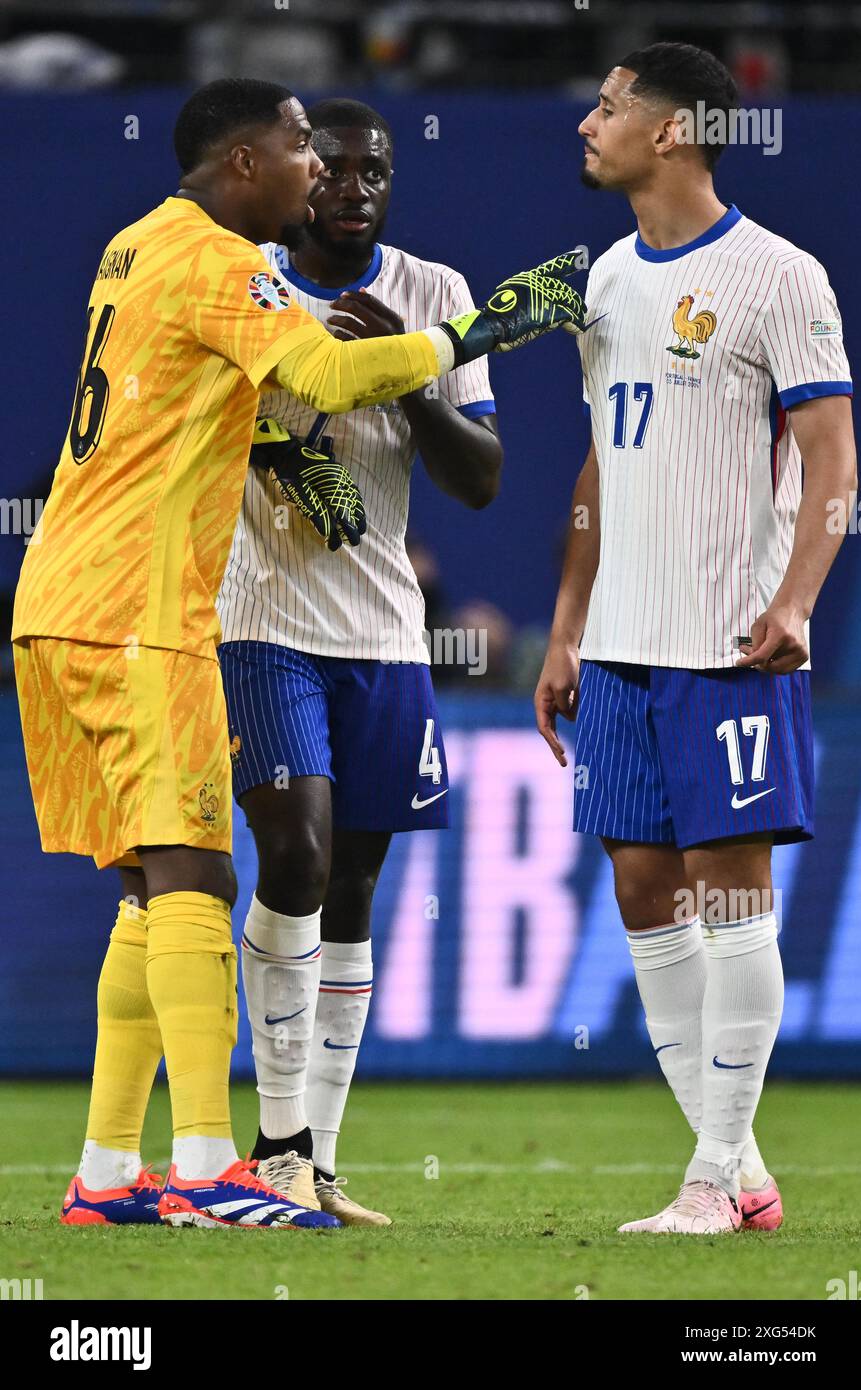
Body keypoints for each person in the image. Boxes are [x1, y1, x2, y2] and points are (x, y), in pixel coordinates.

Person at [12, 77, 585, 1231]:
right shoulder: (229, 263)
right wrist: (471, 335)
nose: (317, 174)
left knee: (142, 887)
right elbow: (322, 372)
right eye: (296, 152)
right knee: (199, 876)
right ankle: (219, 1164)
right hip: (143, 606)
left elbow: (194, 392)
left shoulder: (133, 246)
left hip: (66, 597)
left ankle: (106, 1172)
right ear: (240, 165)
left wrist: (273, 454)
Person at [534, 43, 855, 1235]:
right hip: (620, 643)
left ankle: (712, 1178)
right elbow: (599, 470)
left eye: (609, 107)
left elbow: (831, 456)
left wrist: (796, 599)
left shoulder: (779, 276)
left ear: (672, 132)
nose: (589, 123)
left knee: (734, 898)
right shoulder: (605, 279)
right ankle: (740, 1164)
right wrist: (565, 627)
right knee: (638, 888)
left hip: (729, 642)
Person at [216, 99, 502, 1226]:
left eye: (371, 168)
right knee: (290, 848)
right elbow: (207, 425)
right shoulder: (242, 283)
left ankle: (316, 1164)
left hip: (384, 634)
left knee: (352, 887)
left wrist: (402, 371)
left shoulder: (435, 294)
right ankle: (273, 1141)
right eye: (328, 165)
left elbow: (478, 478)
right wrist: (287, 441)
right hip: (262, 616)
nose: (350, 183)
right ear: (294, 176)